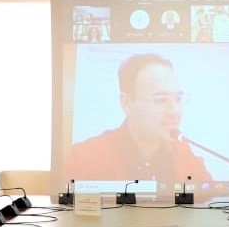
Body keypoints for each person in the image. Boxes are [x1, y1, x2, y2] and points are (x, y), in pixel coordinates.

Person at [66, 53, 214, 184]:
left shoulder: (184, 155)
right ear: (127, 103)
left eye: (178, 99)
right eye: (161, 100)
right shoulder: (85, 158)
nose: (174, 111)